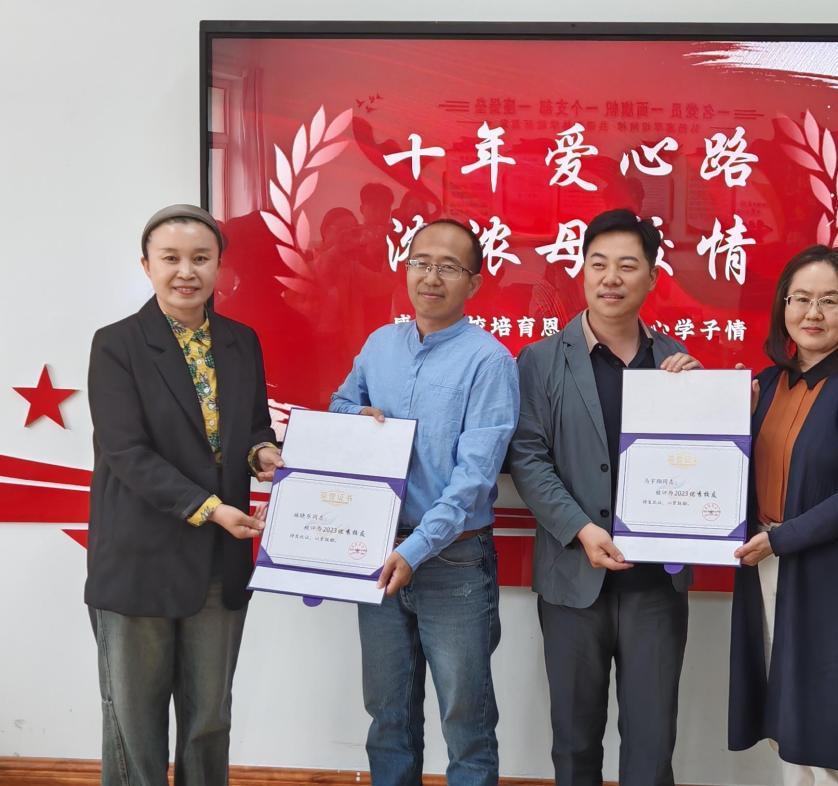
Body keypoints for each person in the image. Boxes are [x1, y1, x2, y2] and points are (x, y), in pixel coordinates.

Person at [85, 204, 284, 785]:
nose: (186, 272)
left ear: (219, 265)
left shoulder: (241, 341)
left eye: (200, 258)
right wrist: (213, 509)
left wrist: (262, 453)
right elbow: (126, 452)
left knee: (208, 721)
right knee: (135, 724)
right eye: (170, 258)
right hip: (139, 557)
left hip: (219, 562)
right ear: (146, 265)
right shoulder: (116, 345)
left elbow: (253, 425)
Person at [509, 208, 700, 786]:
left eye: (627, 265)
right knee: (574, 743)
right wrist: (581, 529)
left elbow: (704, 466)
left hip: (655, 586)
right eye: (599, 264)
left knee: (652, 745)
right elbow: (528, 457)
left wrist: (705, 404)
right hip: (573, 580)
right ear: (583, 271)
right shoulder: (540, 360)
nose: (611, 278)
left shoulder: (677, 364)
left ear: (652, 277)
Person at [329, 218, 519, 786]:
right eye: (420, 262)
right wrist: (354, 416)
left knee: (467, 725)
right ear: (406, 267)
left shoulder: (490, 361)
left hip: (454, 563)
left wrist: (415, 550)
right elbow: (339, 405)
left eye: (449, 267)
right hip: (377, 550)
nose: (431, 277)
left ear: (474, 283)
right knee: (388, 719)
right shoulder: (379, 345)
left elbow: (473, 481)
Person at [729, 245, 838, 785]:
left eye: (830, 300)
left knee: (833, 728)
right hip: (768, 567)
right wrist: (696, 393)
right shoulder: (767, 384)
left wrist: (780, 540)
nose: (813, 313)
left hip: (836, 578)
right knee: (790, 725)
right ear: (783, 307)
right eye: (800, 298)